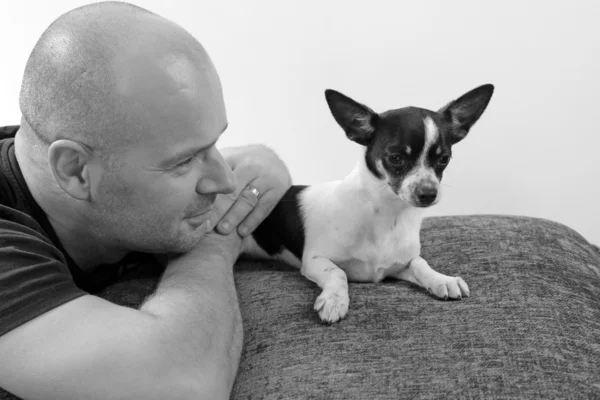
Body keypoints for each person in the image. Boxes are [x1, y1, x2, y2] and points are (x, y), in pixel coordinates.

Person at [0, 2, 291, 399]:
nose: (224, 181)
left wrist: (256, 163)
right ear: (74, 171)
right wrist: (215, 239)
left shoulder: (107, 160)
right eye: (186, 160)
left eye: (215, 144)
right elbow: (184, 384)